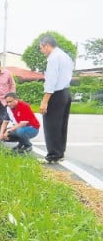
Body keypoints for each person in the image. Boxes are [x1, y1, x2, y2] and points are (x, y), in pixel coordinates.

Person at [39, 34, 73, 163]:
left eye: (41, 48)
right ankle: (59, 153)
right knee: (61, 125)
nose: (41, 51)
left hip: (56, 94)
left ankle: (53, 155)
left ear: (47, 46)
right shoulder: (66, 56)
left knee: (51, 125)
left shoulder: (53, 58)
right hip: (66, 93)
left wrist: (45, 101)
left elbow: (52, 80)